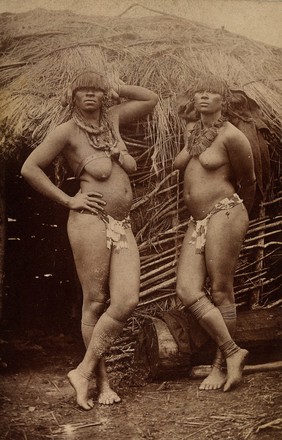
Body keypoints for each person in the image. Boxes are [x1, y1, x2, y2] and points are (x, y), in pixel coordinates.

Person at [21, 71, 158, 409]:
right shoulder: (66, 132)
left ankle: (82, 371)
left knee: (126, 300)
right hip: (90, 221)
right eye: (84, 90)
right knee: (95, 301)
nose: (91, 96)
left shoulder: (112, 119)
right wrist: (69, 200)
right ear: (73, 95)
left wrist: (117, 87)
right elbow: (30, 168)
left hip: (121, 223)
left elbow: (149, 99)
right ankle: (101, 381)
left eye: (97, 90)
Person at [173, 75, 256, 392]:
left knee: (221, 289)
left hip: (224, 213)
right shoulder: (193, 132)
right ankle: (234, 352)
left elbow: (248, 182)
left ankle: (222, 366)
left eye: (212, 93)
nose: (203, 97)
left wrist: (232, 216)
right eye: (199, 92)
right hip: (198, 221)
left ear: (224, 101)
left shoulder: (233, 137)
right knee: (187, 289)